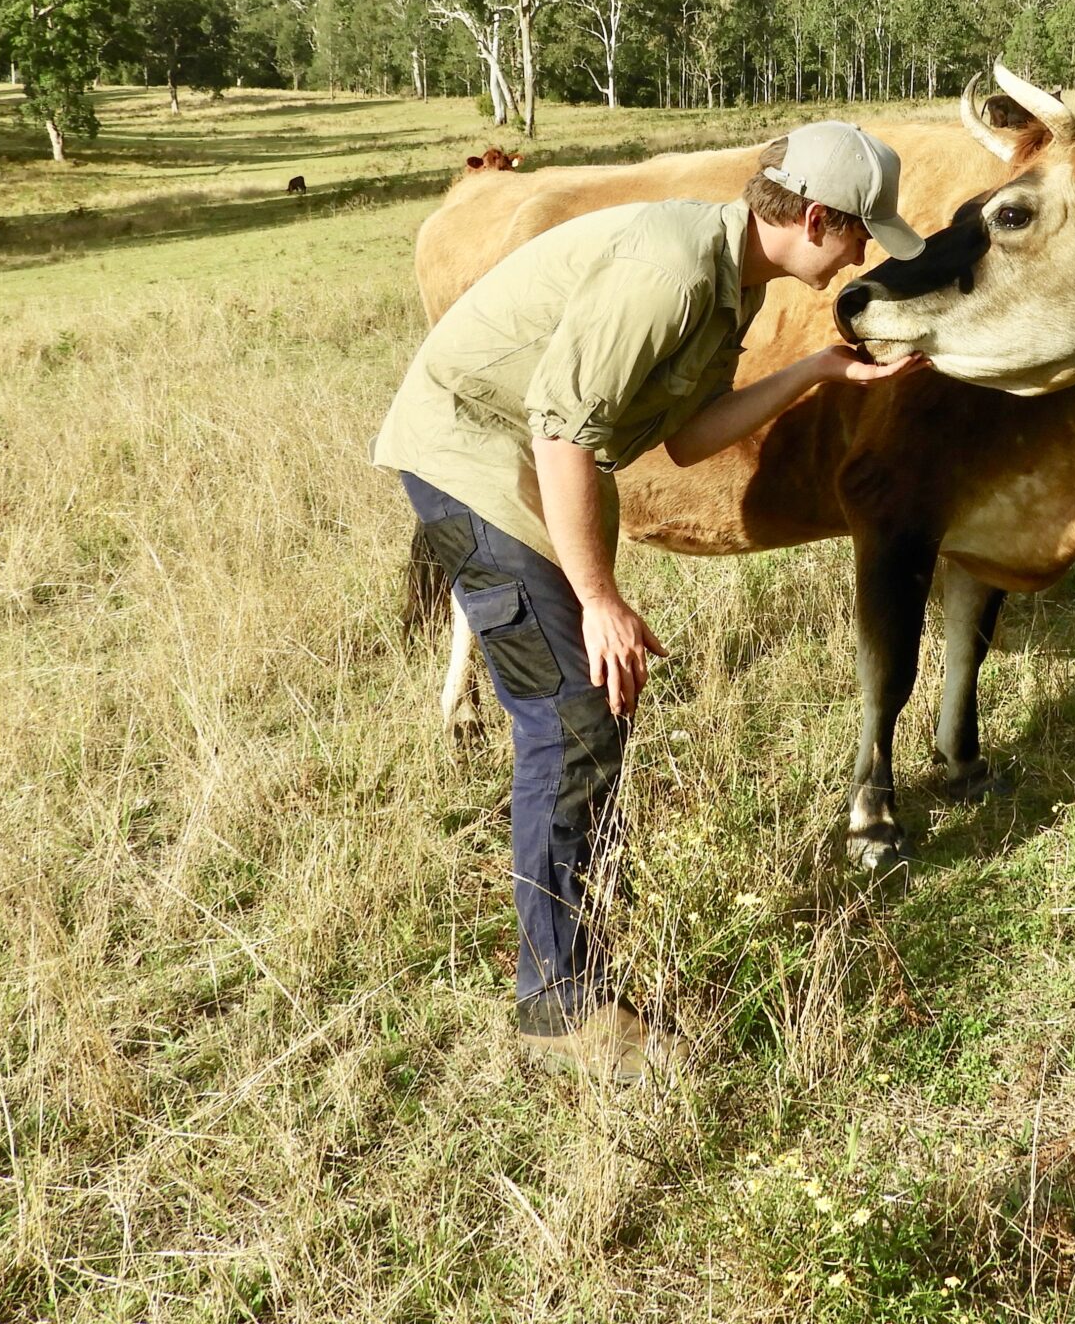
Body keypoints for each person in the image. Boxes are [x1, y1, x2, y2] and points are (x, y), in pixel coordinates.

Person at [372, 123, 927, 1080]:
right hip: (473, 461)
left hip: (524, 465)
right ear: (818, 217)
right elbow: (562, 432)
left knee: (587, 717)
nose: (866, 253)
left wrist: (815, 373)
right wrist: (599, 597)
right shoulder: (673, 267)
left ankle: (577, 966)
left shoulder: (729, 280)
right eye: (862, 232)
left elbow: (685, 439)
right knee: (570, 716)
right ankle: (561, 1010)